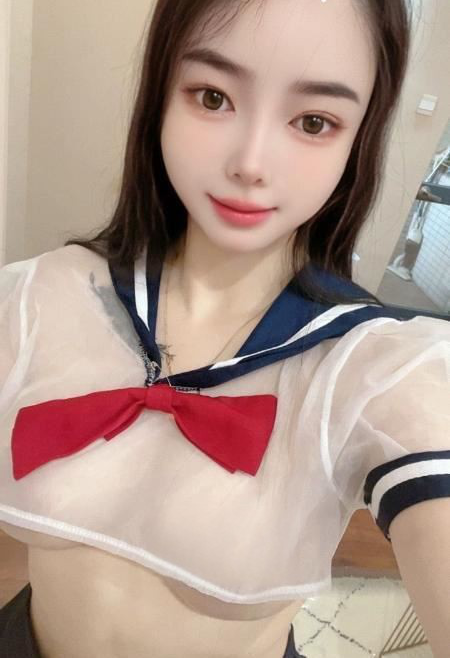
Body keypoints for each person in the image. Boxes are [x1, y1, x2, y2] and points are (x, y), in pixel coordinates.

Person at [0, 0, 449, 656]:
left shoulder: (376, 368)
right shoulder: (38, 294)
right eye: (212, 97)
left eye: (314, 121)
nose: (251, 163)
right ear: (161, 94)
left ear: (358, 140)